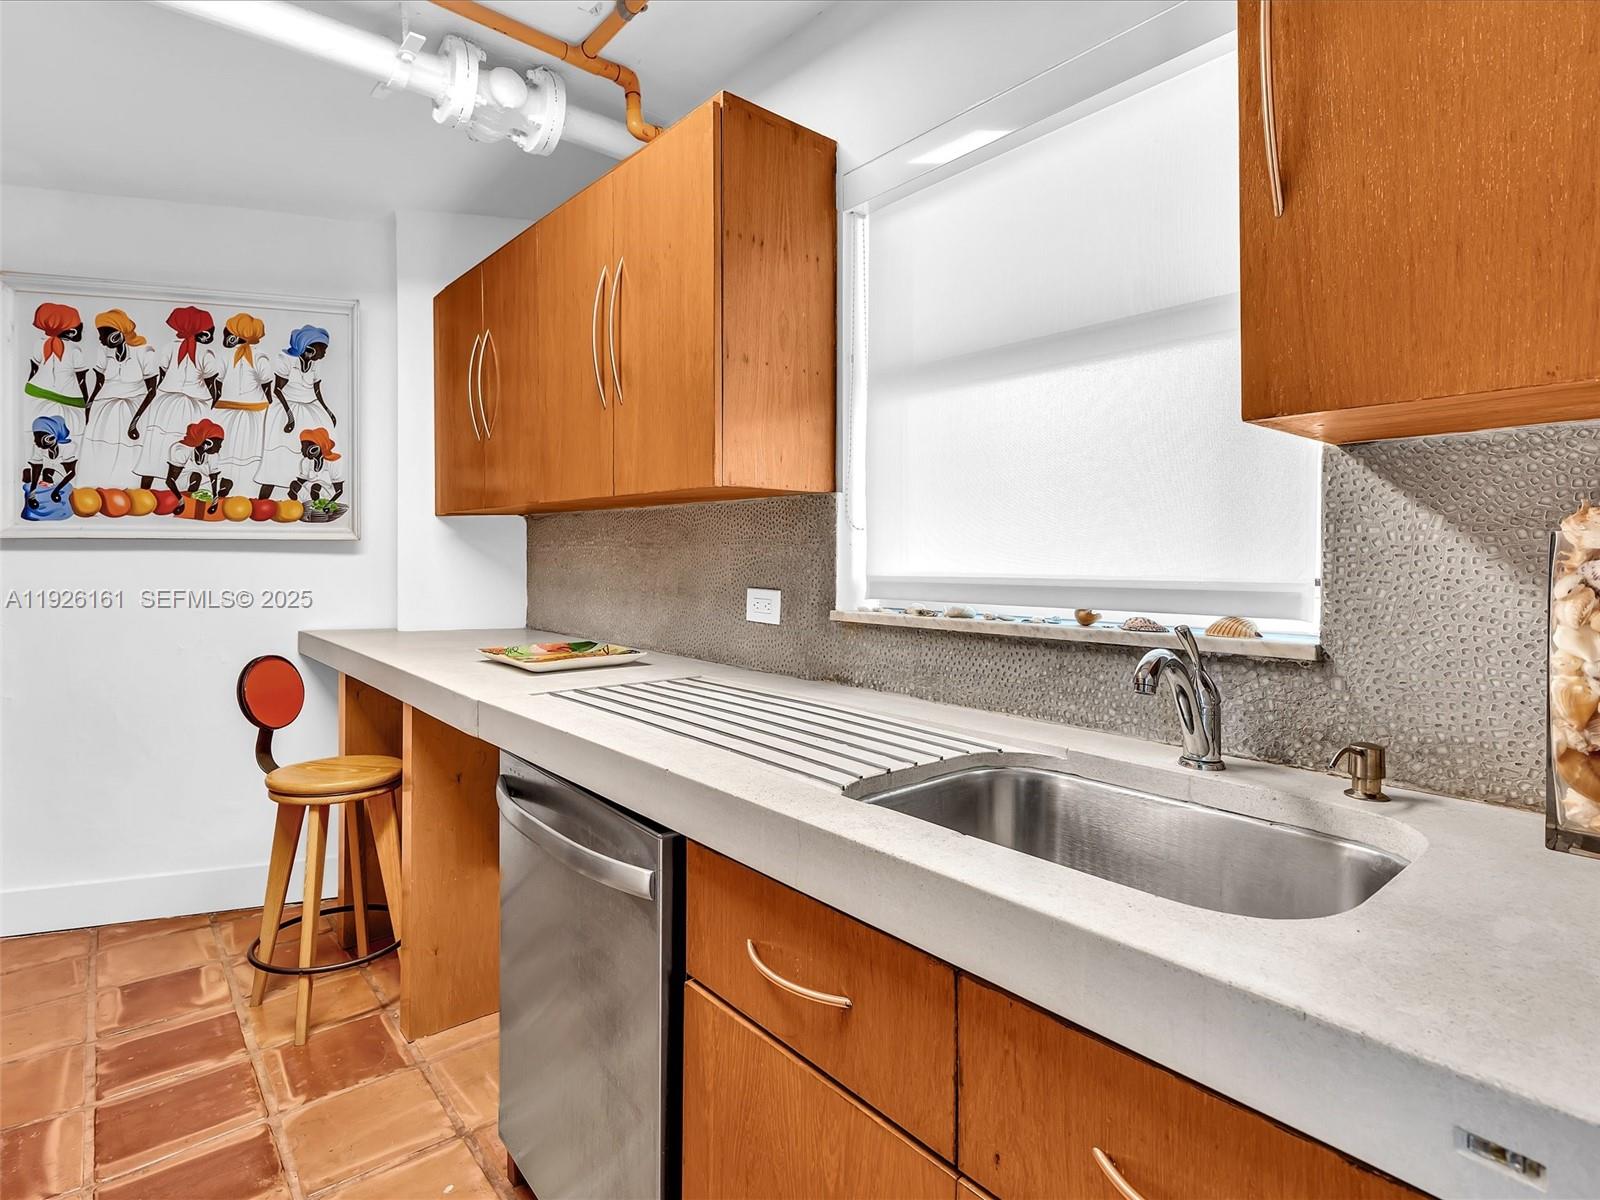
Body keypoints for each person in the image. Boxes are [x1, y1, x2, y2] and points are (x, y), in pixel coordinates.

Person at [134, 306, 220, 488]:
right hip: (194, 406)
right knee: (185, 447)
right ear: (201, 331)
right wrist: (212, 409)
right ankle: (177, 490)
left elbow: (162, 375)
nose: (212, 334)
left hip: (165, 404)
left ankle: (146, 489)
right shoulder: (207, 354)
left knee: (157, 445)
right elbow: (213, 387)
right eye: (210, 330)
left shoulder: (169, 348)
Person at [78, 309, 159, 487]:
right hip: (104, 407)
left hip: (134, 408)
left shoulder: (145, 352)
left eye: (103, 335)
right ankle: (100, 489)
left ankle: (129, 491)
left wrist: (134, 422)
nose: (99, 339)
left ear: (117, 335)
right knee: (101, 449)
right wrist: (89, 407)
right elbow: (99, 382)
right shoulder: (104, 350)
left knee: (129, 452)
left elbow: (152, 390)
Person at [256, 325, 335, 498]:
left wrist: (327, 410)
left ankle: (301, 495)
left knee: (309, 452)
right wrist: (290, 415)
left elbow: (316, 390)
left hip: (310, 407)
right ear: (310, 349)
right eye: (323, 349)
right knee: (280, 453)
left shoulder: (316, 364)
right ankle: (263, 499)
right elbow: (278, 390)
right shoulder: (286, 359)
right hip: (286, 408)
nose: (325, 353)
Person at [213, 313, 274, 498]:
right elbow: (267, 387)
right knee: (240, 450)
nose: (222, 335)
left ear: (234, 335)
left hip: (240, 412)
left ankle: (242, 492)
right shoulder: (258, 357)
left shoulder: (255, 357)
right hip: (236, 411)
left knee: (235, 450)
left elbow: (217, 383)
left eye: (226, 332)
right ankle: (230, 488)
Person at [25, 302, 92, 446]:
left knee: (40, 432)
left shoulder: (39, 343)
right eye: (80, 326)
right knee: (70, 435)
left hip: (35, 392)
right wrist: (87, 404)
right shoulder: (75, 350)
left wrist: (28, 392)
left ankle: (43, 463)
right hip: (69, 398)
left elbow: (33, 370)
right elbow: (81, 380)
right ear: (71, 331)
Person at [165, 418, 226, 516]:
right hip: (181, 485)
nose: (220, 447)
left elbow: (213, 477)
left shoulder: (213, 455)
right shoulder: (181, 449)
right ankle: (190, 506)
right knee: (196, 476)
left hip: (204, 489)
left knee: (227, 483)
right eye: (218, 443)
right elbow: (170, 480)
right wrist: (181, 501)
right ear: (207, 443)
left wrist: (215, 500)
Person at [23, 415, 77, 512]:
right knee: (28, 473)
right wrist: (32, 495)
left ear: (53, 437)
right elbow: (36, 467)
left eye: (41, 437)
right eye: (36, 437)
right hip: (45, 477)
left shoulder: (67, 447)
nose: (36, 441)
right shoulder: (38, 447)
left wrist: (56, 491)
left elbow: (71, 472)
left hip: (61, 479)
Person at [288, 427, 345, 507]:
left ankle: (317, 507)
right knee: (294, 484)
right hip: (309, 494)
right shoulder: (305, 462)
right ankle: (306, 506)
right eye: (303, 446)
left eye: (307, 446)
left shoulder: (333, 462)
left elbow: (339, 490)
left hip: (327, 496)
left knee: (316, 487)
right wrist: (293, 489)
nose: (303, 450)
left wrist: (328, 505)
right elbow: (301, 481)